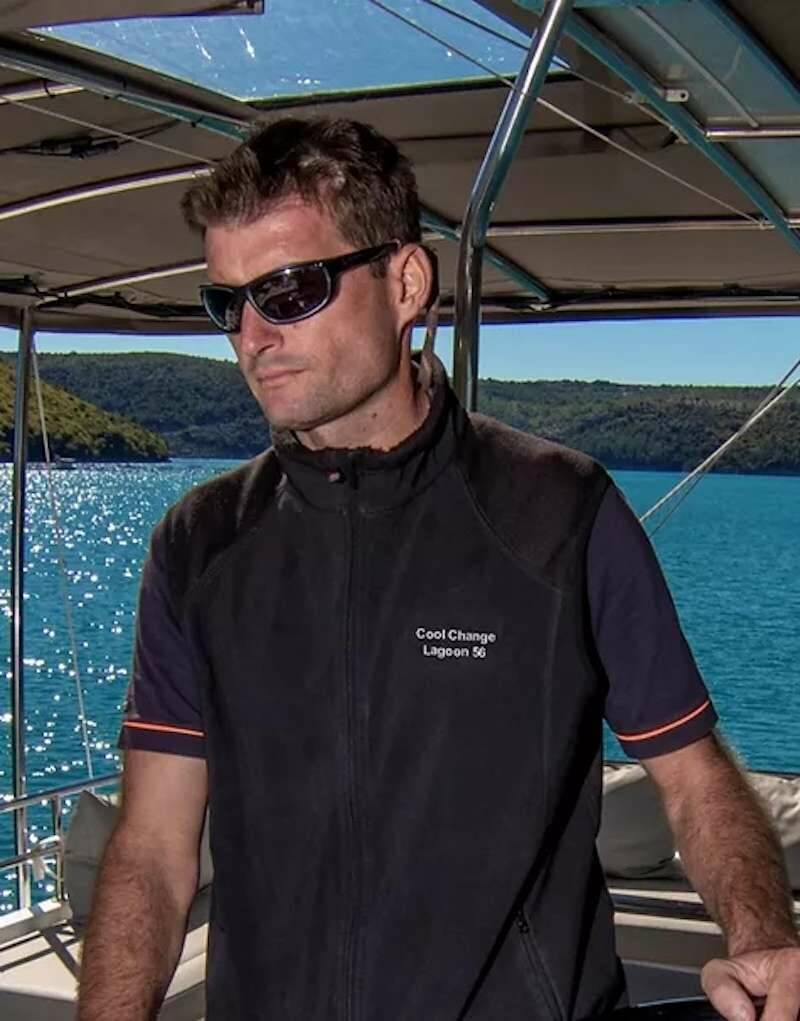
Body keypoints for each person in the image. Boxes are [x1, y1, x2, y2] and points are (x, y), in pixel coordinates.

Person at [77, 117, 799, 1021]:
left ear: (406, 283)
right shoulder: (200, 542)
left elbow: (693, 778)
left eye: (289, 291)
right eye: (229, 302)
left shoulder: (560, 513)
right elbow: (152, 846)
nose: (252, 335)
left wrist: (762, 939)